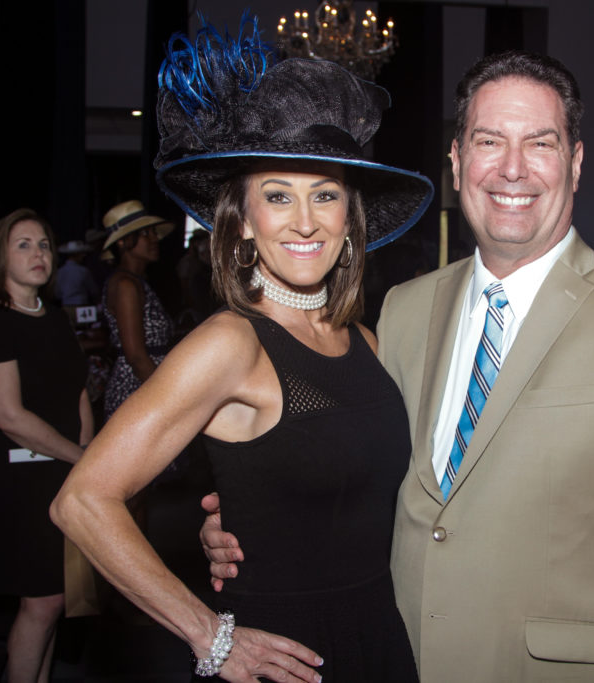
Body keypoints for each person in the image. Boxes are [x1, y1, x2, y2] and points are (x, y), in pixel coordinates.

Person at [204, 50, 594, 682]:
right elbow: (354, 467)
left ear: (575, 162)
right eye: (489, 141)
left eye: (540, 143)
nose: (513, 168)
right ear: (457, 162)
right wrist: (254, 518)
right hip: (389, 657)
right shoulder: (403, 310)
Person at [51, 17, 432, 683]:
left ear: (349, 221)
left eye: (325, 195)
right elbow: (82, 500)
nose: (305, 220)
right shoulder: (230, 343)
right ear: (246, 223)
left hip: (378, 634)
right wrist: (211, 636)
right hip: (283, 654)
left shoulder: (367, 341)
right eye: (278, 196)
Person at [0, 208, 93, 683]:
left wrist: (89, 456)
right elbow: (10, 418)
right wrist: (82, 458)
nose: (38, 254)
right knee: (41, 602)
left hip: (65, 471)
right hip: (23, 480)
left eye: (43, 245)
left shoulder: (54, 318)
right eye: (23, 245)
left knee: (55, 600)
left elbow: (78, 391)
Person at [98, 200, 174, 419]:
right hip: (138, 391)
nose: (154, 238)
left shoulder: (137, 282)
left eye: (154, 232)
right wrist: (170, 399)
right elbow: (136, 357)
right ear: (123, 242)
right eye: (145, 233)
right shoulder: (125, 285)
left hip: (148, 387)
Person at [54, 239, 100, 306]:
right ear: (76, 255)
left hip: (66, 305)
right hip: (81, 305)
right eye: (81, 254)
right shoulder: (83, 271)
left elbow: (57, 293)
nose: (83, 256)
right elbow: (93, 290)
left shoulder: (60, 272)